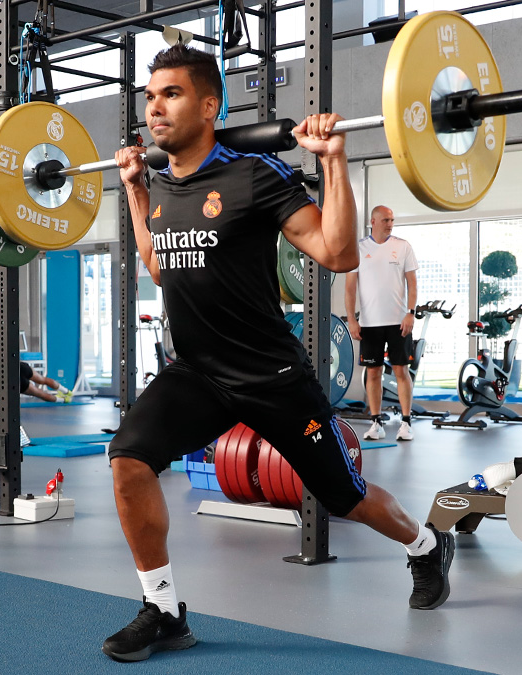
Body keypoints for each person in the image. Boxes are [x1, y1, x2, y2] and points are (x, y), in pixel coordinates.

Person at [103, 46, 454, 663]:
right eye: (150, 96)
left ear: (209, 106)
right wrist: (134, 190)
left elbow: (339, 254)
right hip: (199, 372)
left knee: (345, 497)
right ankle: (164, 610)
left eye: (171, 94)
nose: (154, 107)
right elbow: (158, 267)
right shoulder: (160, 182)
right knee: (129, 459)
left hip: (272, 375)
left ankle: (425, 545)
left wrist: (334, 159)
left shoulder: (254, 174)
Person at [344, 205, 418, 442]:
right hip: (369, 324)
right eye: (386, 220)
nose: (390, 224)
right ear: (373, 221)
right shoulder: (359, 248)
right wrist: (352, 319)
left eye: (392, 220)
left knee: (401, 371)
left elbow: (412, 283)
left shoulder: (403, 246)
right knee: (373, 373)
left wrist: (411, 313)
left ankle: (406, 423)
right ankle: (376, 423)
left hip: (398, 322)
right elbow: (350, 288)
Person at [0, 350, 72, 403]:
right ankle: (67, 391)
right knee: (43, 379)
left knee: (40, 394)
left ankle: (64, 400)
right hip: (18, 367)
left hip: (16, 381)